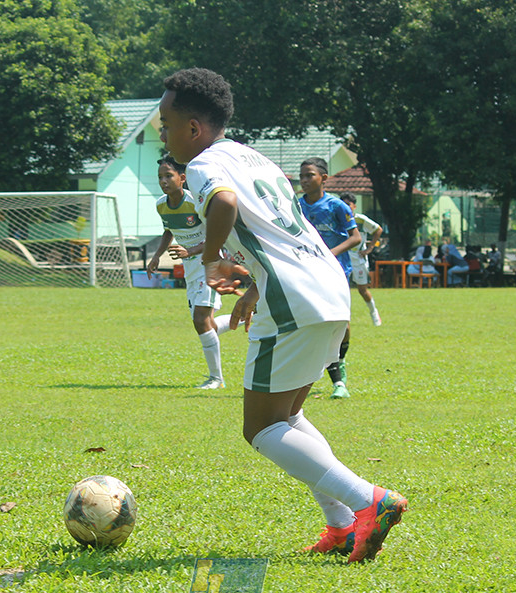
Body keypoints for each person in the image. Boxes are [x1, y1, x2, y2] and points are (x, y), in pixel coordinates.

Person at [159, 67, 407, 563]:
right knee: (288, 415)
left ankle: (368, 500)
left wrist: (210, 260)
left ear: (193, 128)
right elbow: (277, 230)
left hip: (292, 298)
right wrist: (252, 283)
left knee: (261, 429)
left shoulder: (207, 164)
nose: (161, 134)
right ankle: (341, 526)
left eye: (165, 123)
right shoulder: (254, 157)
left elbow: (225, 203)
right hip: (325, 289)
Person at [147, 156, 232, 389]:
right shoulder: (160, 204)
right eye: (160, 177)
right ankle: (243, 317)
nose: (163, 181)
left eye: (168, 176)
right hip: (191, 268)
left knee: (200, 320)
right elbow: (168, 230)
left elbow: (218, 233)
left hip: (210, 262)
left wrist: (191, 250)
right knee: (207, 325)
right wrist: (157, 255)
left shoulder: (197, 202)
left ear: (182, 178)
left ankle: (216, 379)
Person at [298, 158, 361, 399]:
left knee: (341, 325)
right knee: (311, 322)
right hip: (305, 272)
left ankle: (340, 371)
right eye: (302, 176)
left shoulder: (336, 206)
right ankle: (330, 380)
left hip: (336, 272)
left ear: (324, 178)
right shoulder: (296, 206)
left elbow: (355, 238)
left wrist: (328, 254)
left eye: (309, 175)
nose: (304, 180)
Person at [338, 192, 382, 326]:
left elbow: (378, 230)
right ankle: (343, 317)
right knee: (341, 288)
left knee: (362, 289)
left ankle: (373, 311)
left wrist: (370, 248)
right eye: (343, 204)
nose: (345, 207)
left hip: (358, 259)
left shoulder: (360, 220)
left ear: (354, 206)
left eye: (348, 204)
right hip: (343, 258)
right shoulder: (337, 218)